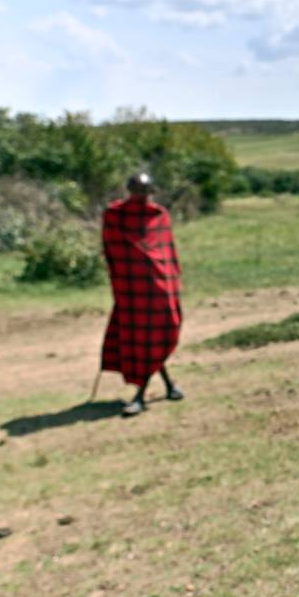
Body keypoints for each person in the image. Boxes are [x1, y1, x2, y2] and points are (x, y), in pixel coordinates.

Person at [100, 173, 184, 417]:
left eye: (145, 192)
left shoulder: (159, 215)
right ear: (129, 191)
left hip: (160, 287)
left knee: (158, 332)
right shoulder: (115, 215)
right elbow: (112, 250)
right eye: (137, 191)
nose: (141, 196)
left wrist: (171, 281)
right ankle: (142, 395)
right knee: (143, 337)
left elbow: (167, 253)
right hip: (133, 288)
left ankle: (168, 386)